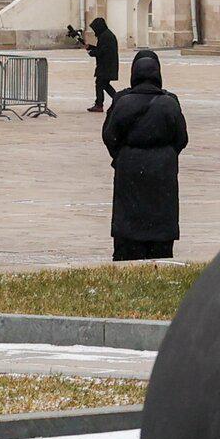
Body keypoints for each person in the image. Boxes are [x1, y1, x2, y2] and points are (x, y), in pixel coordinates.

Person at [101, 49, 185, 260]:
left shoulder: (123, 101)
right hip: (162, 169)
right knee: (160, 216)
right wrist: (165, 154)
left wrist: (122, 155)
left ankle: (129, 251)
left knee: (129, 218)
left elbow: (110, 135)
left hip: (130, 166)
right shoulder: (169, 102)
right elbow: (181, 138)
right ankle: (160, 250)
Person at [85, 16, 119, 111]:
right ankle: (116, 99)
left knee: (100, 84)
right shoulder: (106, 35)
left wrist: (92, 52)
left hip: (106, 65)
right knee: (104, 84)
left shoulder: (105, 36)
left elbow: (102, 52)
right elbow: (102, 49)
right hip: (107, 65)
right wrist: (91, 47)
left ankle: (100, 105)